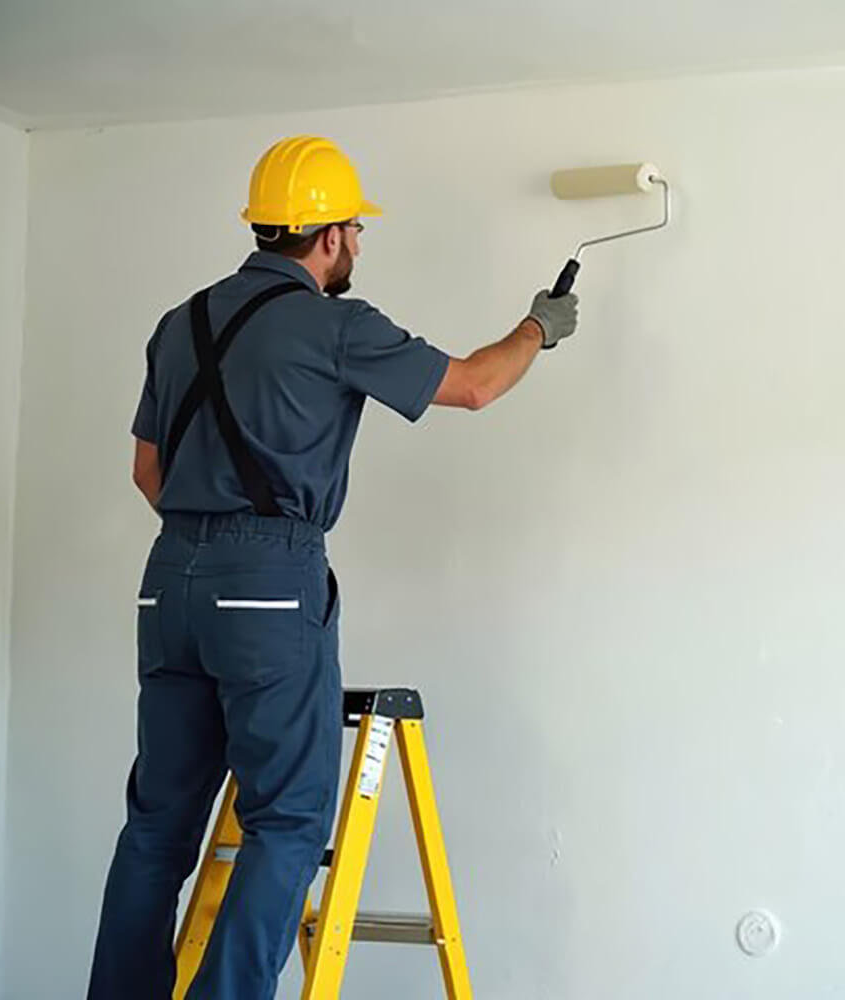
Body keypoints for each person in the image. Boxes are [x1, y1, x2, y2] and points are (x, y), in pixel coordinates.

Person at [86, 135, 577, 1000]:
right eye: (354, 229)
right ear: (331, 236)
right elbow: (474, 386)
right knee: (287, 818)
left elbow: (145, 470)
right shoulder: (336, 324)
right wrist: (539, 326)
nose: (357, 244)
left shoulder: (180, 322)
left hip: (167, 580)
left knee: (159, 825)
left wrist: (203, 544)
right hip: (268, 585)